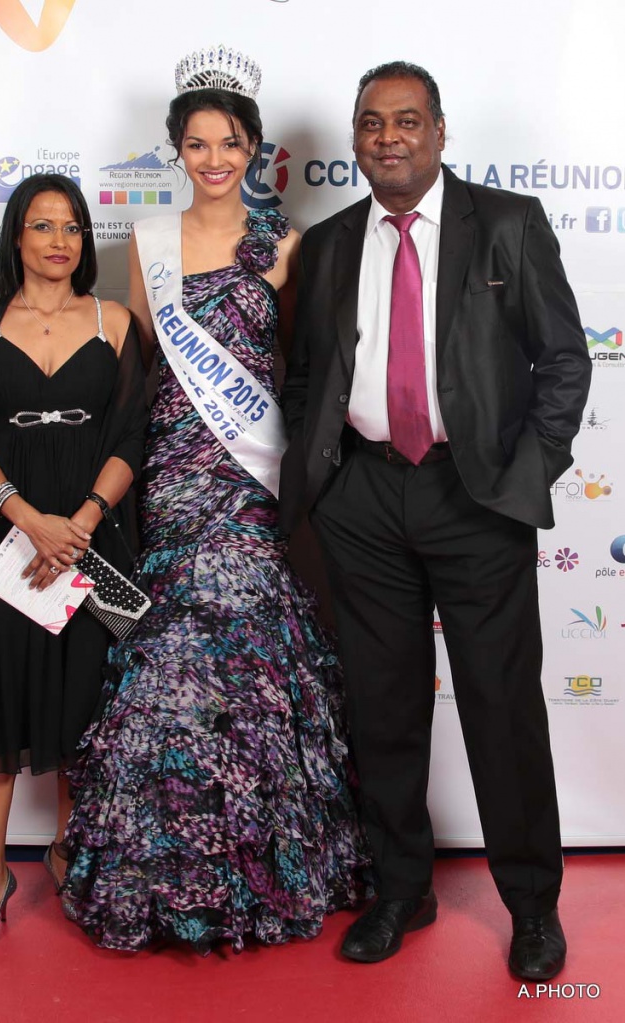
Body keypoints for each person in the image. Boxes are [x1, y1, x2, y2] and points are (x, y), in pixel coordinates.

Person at [279, 61, 591, 978]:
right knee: (383, 707)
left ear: (441, 131)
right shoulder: (331, 243)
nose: (389, 138)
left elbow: (563, 361)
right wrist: (327, 478)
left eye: (407, 120)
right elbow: (309, 375)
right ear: (356, 138)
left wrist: (522, 477)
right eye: (372, 123)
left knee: (501, 707)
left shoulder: (507, 224)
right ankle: (400, 889)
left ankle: (531, 905)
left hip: (475, 495)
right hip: (364, 499)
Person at [61, 46, 370, 954]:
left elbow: (299, 370)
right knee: (167, 653)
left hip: (251, 477)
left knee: (249, 650)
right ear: (177, 152)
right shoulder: (146, 242)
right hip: (171, 477)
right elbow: (142, 373)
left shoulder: (287, 244)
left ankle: (259, 863)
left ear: (255, 149)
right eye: (196, 144)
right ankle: (161, 868)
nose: (214, 159)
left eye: (230, 143)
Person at [0, 173, 147, 961]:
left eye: (72, 227)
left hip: (93, 538)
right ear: (16, 237)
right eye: (42, 225)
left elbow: (131, 437)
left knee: (81, 708)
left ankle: (66, 852)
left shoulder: (116, 322)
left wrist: (81, 523)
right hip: (4, 541)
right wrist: (29, 520)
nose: (59, 240)